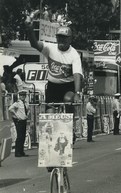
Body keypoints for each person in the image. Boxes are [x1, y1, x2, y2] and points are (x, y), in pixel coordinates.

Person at [25, 17, 83, 145]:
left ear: (70, 39)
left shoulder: (74, 55)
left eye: (64, 38)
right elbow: (34, 44)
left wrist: (77, 93)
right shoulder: (50, 48)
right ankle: (49, 140)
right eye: (59, 38)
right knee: (49, 114)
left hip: (68, 86)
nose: (61, 41)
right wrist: (29, 30)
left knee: (68, 101)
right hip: (52, 87)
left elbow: (77, 74)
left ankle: (70, 126)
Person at [8, 90, 30, 157]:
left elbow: (28, 109)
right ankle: (17, 152)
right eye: (21, 95)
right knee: (19, 136)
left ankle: (21, 151)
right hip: (19, 121)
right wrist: (16, 115)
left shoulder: (26, 103)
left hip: (24, 120)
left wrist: (27, 115)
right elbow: (10, 109)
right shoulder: (17, 103)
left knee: (23, 136)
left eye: (24, 95)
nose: (22, 97)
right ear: (19, 96)